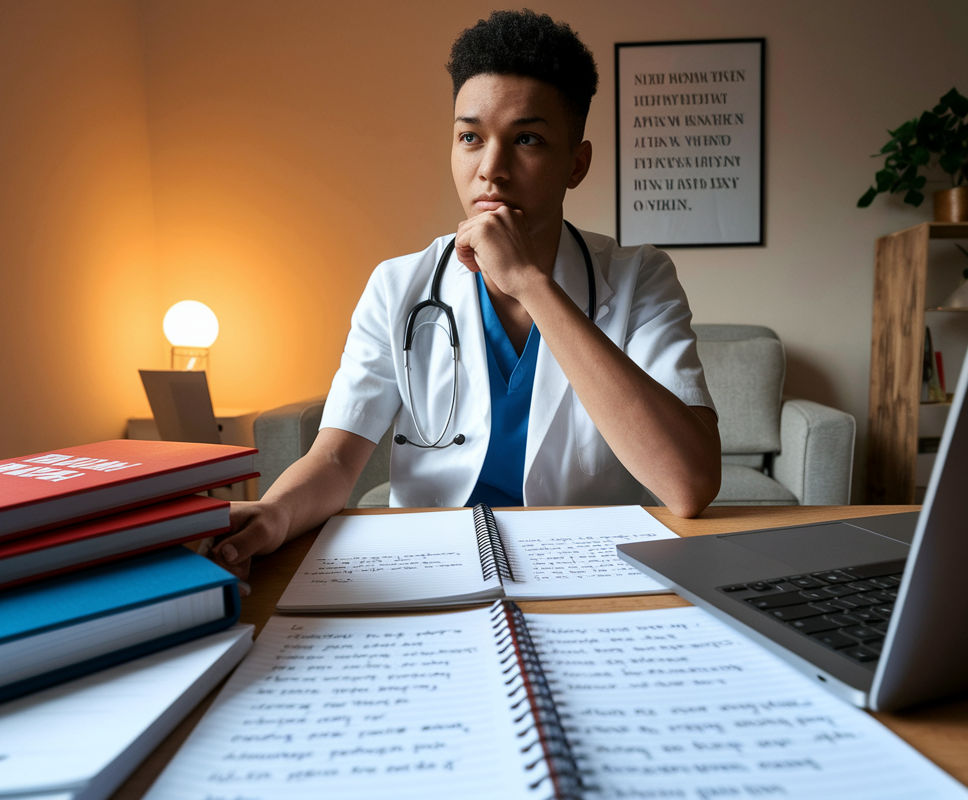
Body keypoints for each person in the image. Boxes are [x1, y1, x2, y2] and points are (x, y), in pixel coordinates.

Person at [215, 10, 721, 583]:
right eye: (470, 138)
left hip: (584, 568)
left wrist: (531, 282)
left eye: (527, 139)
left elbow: (688, 485)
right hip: (428, 566)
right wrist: (275, 514)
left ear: (576, 164)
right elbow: (335, 459)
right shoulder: (397, 284)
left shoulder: (640, 277)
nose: (491, 170)